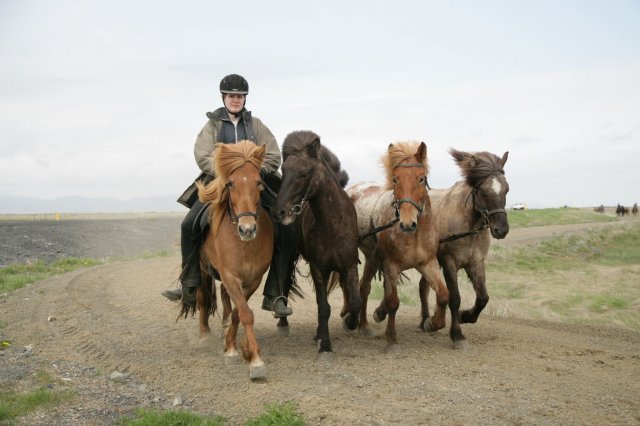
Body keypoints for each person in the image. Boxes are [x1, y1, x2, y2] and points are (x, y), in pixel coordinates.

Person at [161, 73, 294, 317]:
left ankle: (275, 293)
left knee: (285, 227)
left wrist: (254, 170)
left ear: (245, 99)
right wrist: (225, 172)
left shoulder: (257, 125)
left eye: (240, 97)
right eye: (232, 96)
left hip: (253, 184)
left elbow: (274, 155)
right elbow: (201, 154)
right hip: (220, 183)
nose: (236, 100)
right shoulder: (212, 125)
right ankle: (188, 283)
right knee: (189, 223)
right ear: (224, 98)